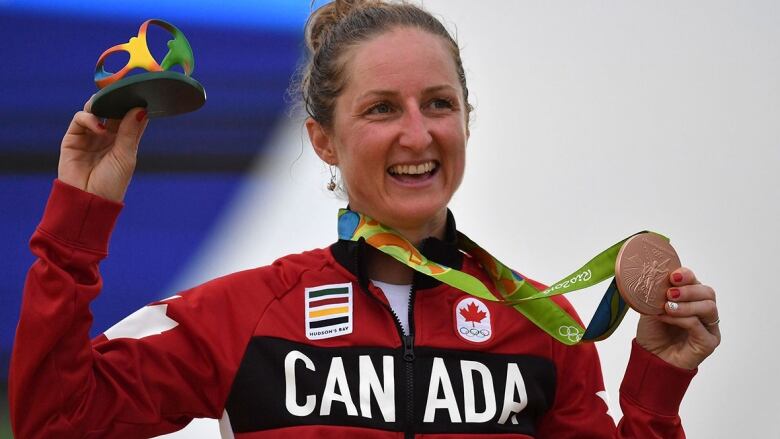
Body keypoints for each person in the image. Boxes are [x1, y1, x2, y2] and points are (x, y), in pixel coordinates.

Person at [10, 1, 721, 438]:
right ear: (324, 139)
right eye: (381, 108)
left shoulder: (542, 326)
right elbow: (53, 418)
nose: (417, 134)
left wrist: (657, 382)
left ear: (466, 120)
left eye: (438, 103)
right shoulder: (242, 314)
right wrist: (82, 215)